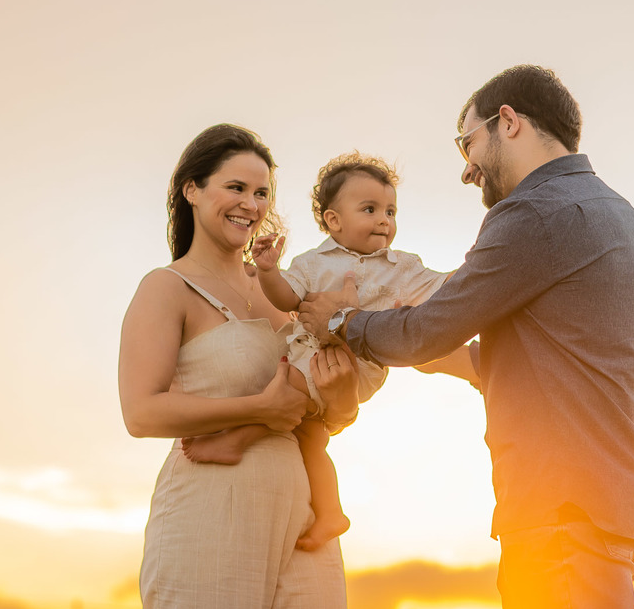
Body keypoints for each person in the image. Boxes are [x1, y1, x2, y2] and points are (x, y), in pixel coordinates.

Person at [298, 65, 634, 609]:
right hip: (618, 505)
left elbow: (424, 329)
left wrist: (340, 323)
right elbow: (575, 356)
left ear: (510, 123)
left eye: (467, 143)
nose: (466, 167)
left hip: (559, 510)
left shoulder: (534, 214)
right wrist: (467, 364)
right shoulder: (628, 221)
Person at [118, 123, 359, 609]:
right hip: (208, 513)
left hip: (303, 518)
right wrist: (256, 409)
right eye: (235, 188)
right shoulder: (167, 287)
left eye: (261, 193)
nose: (250, 204)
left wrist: (344, 398)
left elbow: (317, 408)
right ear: (192, 190)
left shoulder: (284, 287)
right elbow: (141, 411)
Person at [182, 152, 454, 551]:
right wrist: (271, 272)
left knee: (290, 383)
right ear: (334, 220)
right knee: (311, 435)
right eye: (371, 209)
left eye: (391, 211)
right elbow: (285, 296)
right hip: (313, 355)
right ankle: (331, 513)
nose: (384, 220)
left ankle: (239, 438)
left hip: (360, 363)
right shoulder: (313, 263)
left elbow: (445, 289)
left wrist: (477, 262)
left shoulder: (402, 266)